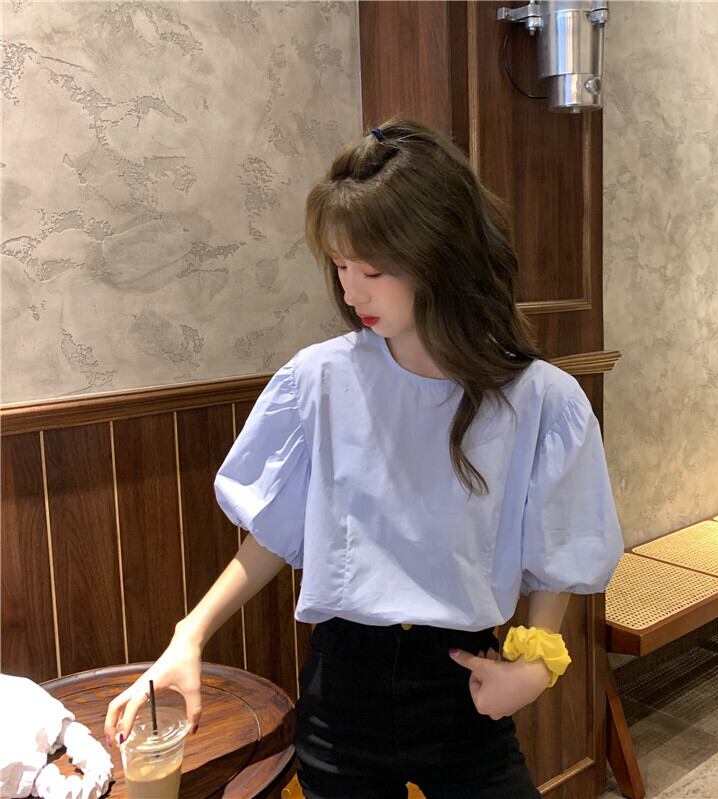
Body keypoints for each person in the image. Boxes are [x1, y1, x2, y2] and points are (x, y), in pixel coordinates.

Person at [104, 116, 624, 798]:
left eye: (372, 270)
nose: (352, 293)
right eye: (341, 267)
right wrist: (190, 634)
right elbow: (277, 531)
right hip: (341, 691)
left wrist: (535, 666)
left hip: (464, 683)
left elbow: (558, 550)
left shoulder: (541, 400)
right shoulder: (318, 379)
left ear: (441, 255)